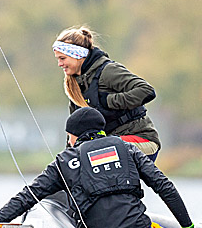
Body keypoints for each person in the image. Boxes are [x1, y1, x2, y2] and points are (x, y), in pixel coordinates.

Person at [0, 107, 202, 228]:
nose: (68, 141)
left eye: (69, 136)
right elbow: (164, 186)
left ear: (76, 135)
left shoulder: (64, 162)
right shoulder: (127, 148)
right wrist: (187, 226)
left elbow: (28, 196)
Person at [53, 27, 162, 161]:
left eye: (62, 58)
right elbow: (74, 134)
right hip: (109, 146)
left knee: (94, 152)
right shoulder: (75, 87)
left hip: (142, 141)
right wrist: (66, 163)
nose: (59, 64)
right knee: (80, 159)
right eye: (57, 59)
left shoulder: (108, 71)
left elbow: (147, 91)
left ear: (78, 55)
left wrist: (108, 101)